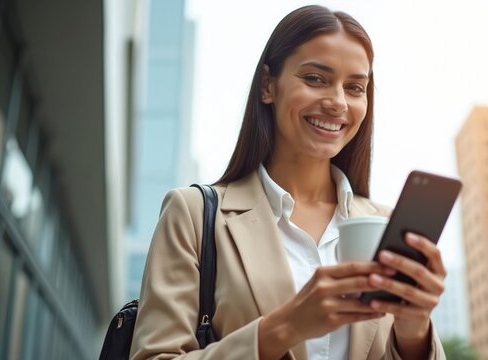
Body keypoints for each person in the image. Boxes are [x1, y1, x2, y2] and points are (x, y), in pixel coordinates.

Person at [130, 5, 448, 360]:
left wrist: (414, 331)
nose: (338, 102)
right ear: (268, 85)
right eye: (315, 78)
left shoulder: (385, 226)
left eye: (355, 86)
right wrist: (284, 328)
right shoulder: (192, 215)